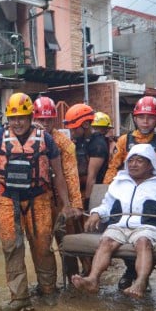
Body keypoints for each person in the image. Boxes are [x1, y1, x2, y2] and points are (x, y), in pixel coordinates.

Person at [0, 93, 83, 311]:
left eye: (22, 117)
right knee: (11, 248)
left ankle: (48, 290)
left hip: (39, 199)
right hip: (7, 199)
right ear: (8, 118)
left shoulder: (46, 140)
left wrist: (65, 203)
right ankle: (20, 297)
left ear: (30, 116)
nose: (18, 122)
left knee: (42, 246)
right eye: (13, 118)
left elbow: (59, 174)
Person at [71, 144, 156, 299]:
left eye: (139, 161)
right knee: (106, 241)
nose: (133, 164)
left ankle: (140, 283)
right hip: (119, 225)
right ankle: (93, 279)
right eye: (130, 161)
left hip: (147, 227)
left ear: (151, 164)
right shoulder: (118, 182)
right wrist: (96, 213)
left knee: (143, 242)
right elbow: (107, 205)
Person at [103, 96, 156, 290]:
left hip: (155, 195)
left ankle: (140, 277)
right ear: (135, 118)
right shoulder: (123, 141)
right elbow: (113, 167)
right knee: (124, 226)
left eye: (150, 117)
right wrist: (107, 189)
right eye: (141, 117)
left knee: (145, 233)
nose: (145, 121)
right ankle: (132, 272)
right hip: (129, 191)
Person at [33, 96, 85, 287]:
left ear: (54, 120)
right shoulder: (25, 138)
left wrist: (74, 205)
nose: (45, 124)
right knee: (40, 245)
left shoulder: (64, 143)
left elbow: (71, 175)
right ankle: (46, 286)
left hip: (59, 201)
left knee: (67, 244)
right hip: (35, 201)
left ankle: (73, 283)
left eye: (49, 120)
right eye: (41, 119)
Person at [62, 102, 98, 279]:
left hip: (93, 195)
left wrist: (87, 204)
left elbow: (92, 177)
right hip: (77, 193)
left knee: (89, 235)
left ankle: (92, 272)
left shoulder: (97, 143)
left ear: (85, 124)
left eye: (74, 128)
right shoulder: (76, 142)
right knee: (72, 233)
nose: (72, 131)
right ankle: (78, 273)